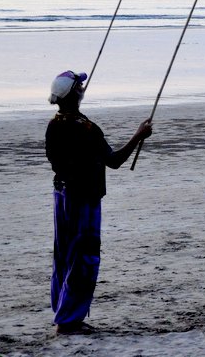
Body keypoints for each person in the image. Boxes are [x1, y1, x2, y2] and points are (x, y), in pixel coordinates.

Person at [45, 70, 153, 334]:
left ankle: (64, 312)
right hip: (83, 197)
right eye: (79, 85)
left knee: (64, 255)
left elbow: (55, 162)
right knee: (84, 257)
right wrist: (139, 135)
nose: (83, 86)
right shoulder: (86, 129)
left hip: (62, 194)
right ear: (74, 93)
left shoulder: (54, 124)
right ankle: (69, 320)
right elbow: (114, 161)